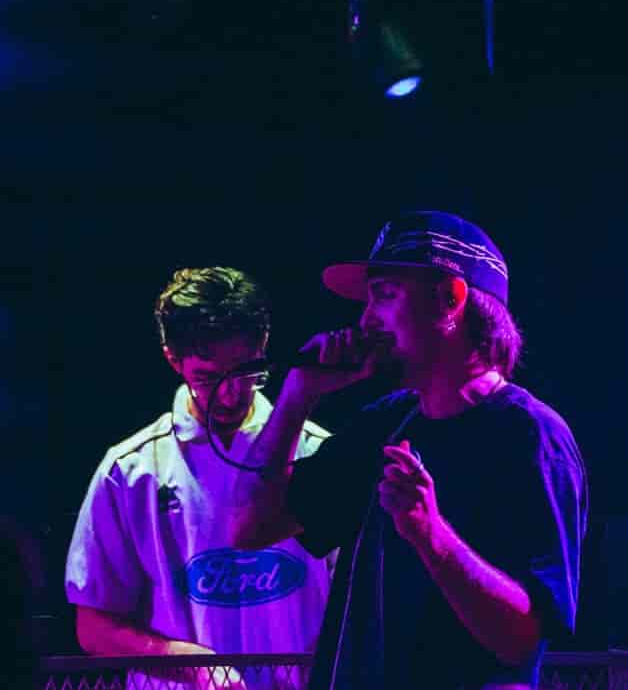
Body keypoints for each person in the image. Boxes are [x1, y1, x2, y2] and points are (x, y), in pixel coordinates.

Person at [230, 211, 589, 690]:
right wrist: (298, 396)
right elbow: (249, 526)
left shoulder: (532, 436)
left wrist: (430, 534)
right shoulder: (385, 423)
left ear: (449, 299)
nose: (365, 320)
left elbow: (523, 640)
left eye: (385, 294)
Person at [65, 267, 336, 690]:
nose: (229, 395)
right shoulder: (130, 471)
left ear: (263, 345)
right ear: (173, 359)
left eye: (246, 372)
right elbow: (94, 626)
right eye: (208, 378)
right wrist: (188, 663)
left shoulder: (319, 454)